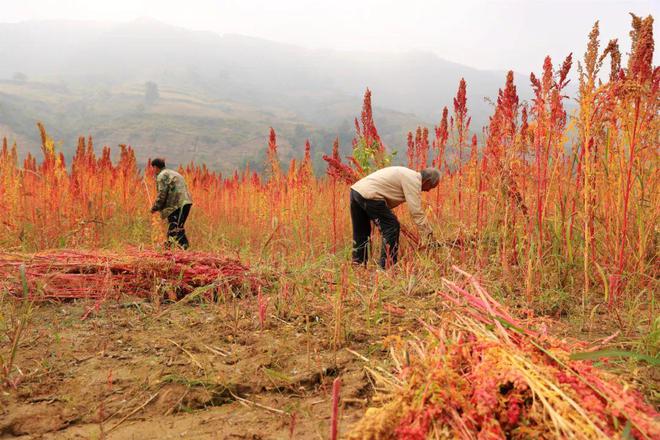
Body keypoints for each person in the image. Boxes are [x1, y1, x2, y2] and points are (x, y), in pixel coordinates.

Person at [350, 166, 440, 268]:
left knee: (361, 231)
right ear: (427, 181)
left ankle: (358, 264)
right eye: (431, 187)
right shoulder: (414, 181)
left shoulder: (408, 174)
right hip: (369, 194)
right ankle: (387, 266)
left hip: (356, 191)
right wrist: (428, 235)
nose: (428, 191)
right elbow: (416, 212)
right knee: (391, 226)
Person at [150, 158, 193, 249]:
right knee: (177, 227)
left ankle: (179, 248)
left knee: (175, 228)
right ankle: (174, 248)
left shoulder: (161, 175)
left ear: (155, 167)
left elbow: (162, 194)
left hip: (175, 205)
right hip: (187, 202)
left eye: (153, 168)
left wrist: (155, 207)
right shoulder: (174, 173)